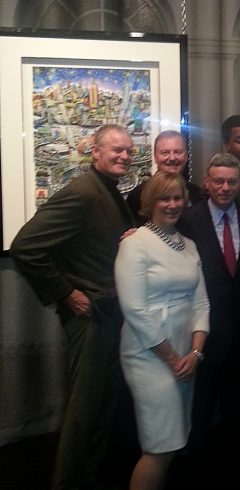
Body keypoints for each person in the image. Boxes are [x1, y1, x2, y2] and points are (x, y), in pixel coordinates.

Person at [10, 124, 136, 490]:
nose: (125, 156)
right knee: (84, 413)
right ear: (94, 152)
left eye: (128, 150)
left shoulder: (108, 192)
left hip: (108, 315)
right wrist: (66, 292)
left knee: (100, 409)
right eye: (116, 150)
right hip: (91, 318)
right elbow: (25, 246)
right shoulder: (82, 192)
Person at [177, 152, 240, 488]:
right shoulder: (188, 220)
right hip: (201, 338)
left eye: (232, 181)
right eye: (218, 181)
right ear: (207, 181)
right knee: (198, 417)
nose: (225, 187)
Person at [115, 171, 209, 490]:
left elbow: (202, 305)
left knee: (172, 443)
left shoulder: (190, 246)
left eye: (177, 197)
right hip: (149, 356)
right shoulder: (135, 244)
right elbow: (135, 311)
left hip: (185, 355)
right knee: (159, 446)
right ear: (149, 203)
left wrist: (195, 353)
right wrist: (172, 359)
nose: (172, 204)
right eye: (164, 198)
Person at [127, 129, 202, 223]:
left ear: (186, 156)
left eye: (178, 152)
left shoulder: (197, 194)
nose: (172, 158)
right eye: (165, 153)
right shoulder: (138, 195)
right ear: (155, 157)